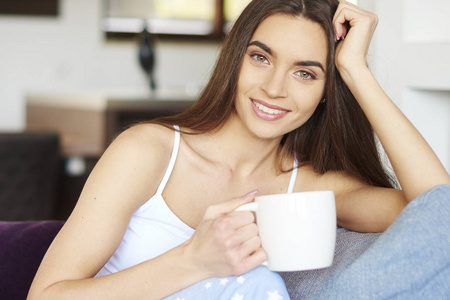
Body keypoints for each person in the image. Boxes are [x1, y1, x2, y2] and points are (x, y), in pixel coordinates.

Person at [28, 0, 450, 299]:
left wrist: (356, 71)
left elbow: (439, 215)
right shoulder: (149, 152)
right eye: (261, 58)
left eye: (305, 73)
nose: (273, 88)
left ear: (326, 92)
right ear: (236, 59)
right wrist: (194, 261)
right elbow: (46, 296)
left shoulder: (311, 188)